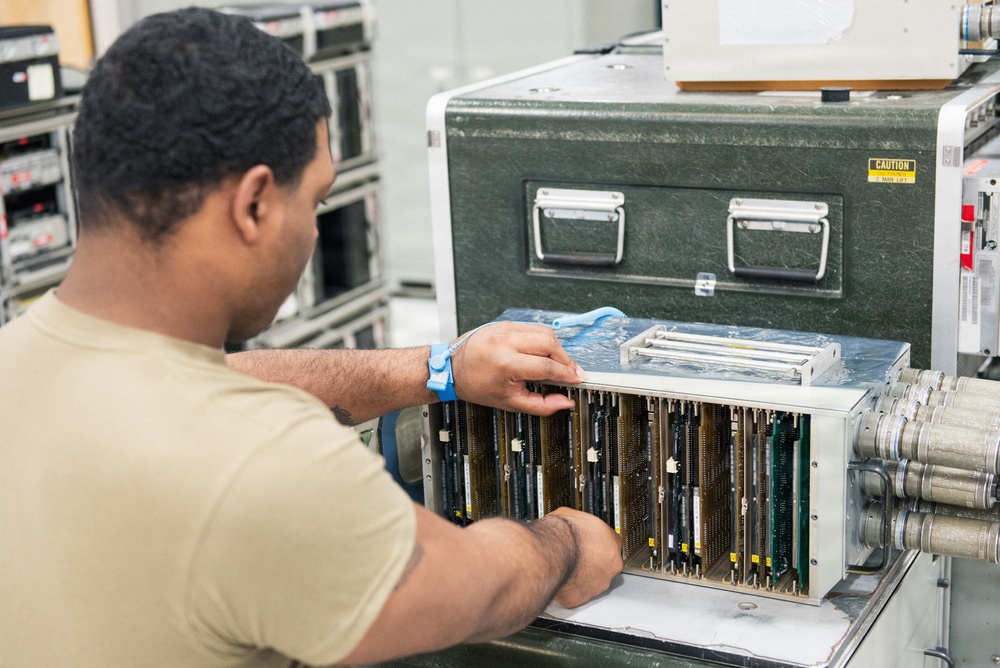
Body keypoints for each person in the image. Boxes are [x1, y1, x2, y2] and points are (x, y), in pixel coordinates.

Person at [0, 8, 622, 667]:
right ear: (254, 205)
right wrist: (565, 543)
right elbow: (477, 589)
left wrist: (442, 368)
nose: (314, 231)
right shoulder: (266, 464)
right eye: (315, 201)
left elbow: (218, 381)